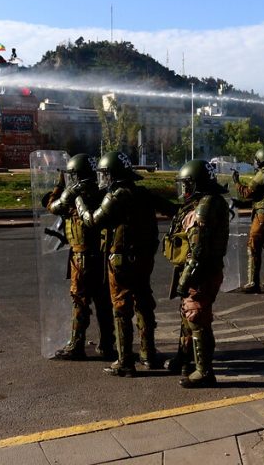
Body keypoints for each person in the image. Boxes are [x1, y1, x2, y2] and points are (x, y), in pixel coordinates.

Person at [75, 151, 174, 377]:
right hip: (144, 258)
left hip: (120, 261)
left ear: (111, 174)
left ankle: (125, 360)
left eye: (103, 174)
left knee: (121, 308)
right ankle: (148, 355)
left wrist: (79, 202)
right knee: (143, 303)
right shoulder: (142, 193)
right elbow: (172, 210)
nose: (101, 178)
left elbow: (92, 221)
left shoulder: (117, 195)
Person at [42, 154, 115, 361]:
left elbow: (51, 205)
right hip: (102, 255)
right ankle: (107, 345)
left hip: (82, 256)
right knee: (103, 302)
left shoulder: (75, 195)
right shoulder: (102, 192)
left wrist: (60, 184)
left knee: (80, 300)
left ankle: (76, 344)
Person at [164, 159, 229, 388]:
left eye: (186, 185)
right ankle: (185, 358)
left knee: (196, 317)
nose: (183, 190)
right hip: (203, 269)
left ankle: (204, 371)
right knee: (187, 315)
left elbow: (198, 251)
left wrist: (184, 280)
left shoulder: (204, 206)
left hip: (201, 272)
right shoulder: (209, 202)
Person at [232, 147, 264, 293]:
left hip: (261, 217)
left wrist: (236, 181)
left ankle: (253, 282)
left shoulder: (262, 175)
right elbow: (261, 196)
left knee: (254, 248)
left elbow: (248, 193)